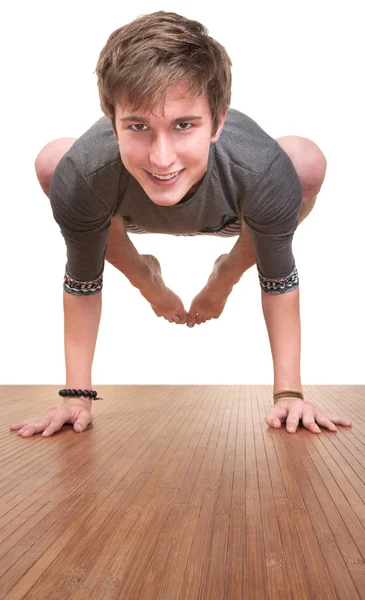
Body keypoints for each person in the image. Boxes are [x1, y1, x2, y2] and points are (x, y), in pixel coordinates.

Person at [11, 11, 351, 438]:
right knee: (55, 163)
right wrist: (76, 396)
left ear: (218, 123)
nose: (162, 157)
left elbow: (279, 280)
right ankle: (143, 271)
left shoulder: (261, 169)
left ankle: (227, 268)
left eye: (184, 125)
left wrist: (289, 395)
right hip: (124, 207)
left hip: (235, 216)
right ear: (112, 124)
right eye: (137, 126)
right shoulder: (86, 170)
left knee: (303, 161)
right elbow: (82, 281)